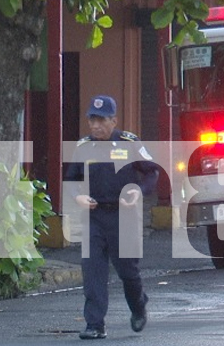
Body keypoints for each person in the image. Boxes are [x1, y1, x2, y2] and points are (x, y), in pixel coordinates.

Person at [65, 95, 159, 340]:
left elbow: (151, 173)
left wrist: (139, 192)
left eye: (101, 120)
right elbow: (72, 180)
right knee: (93, 272)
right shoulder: (83, 146)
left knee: (128, 272)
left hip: (123, 216)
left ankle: (138, 306)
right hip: (94, 217)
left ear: (113, 120)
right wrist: (78, 198)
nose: (95, 126)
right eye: (91, 120)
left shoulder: (129, 142)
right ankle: (95, 324)